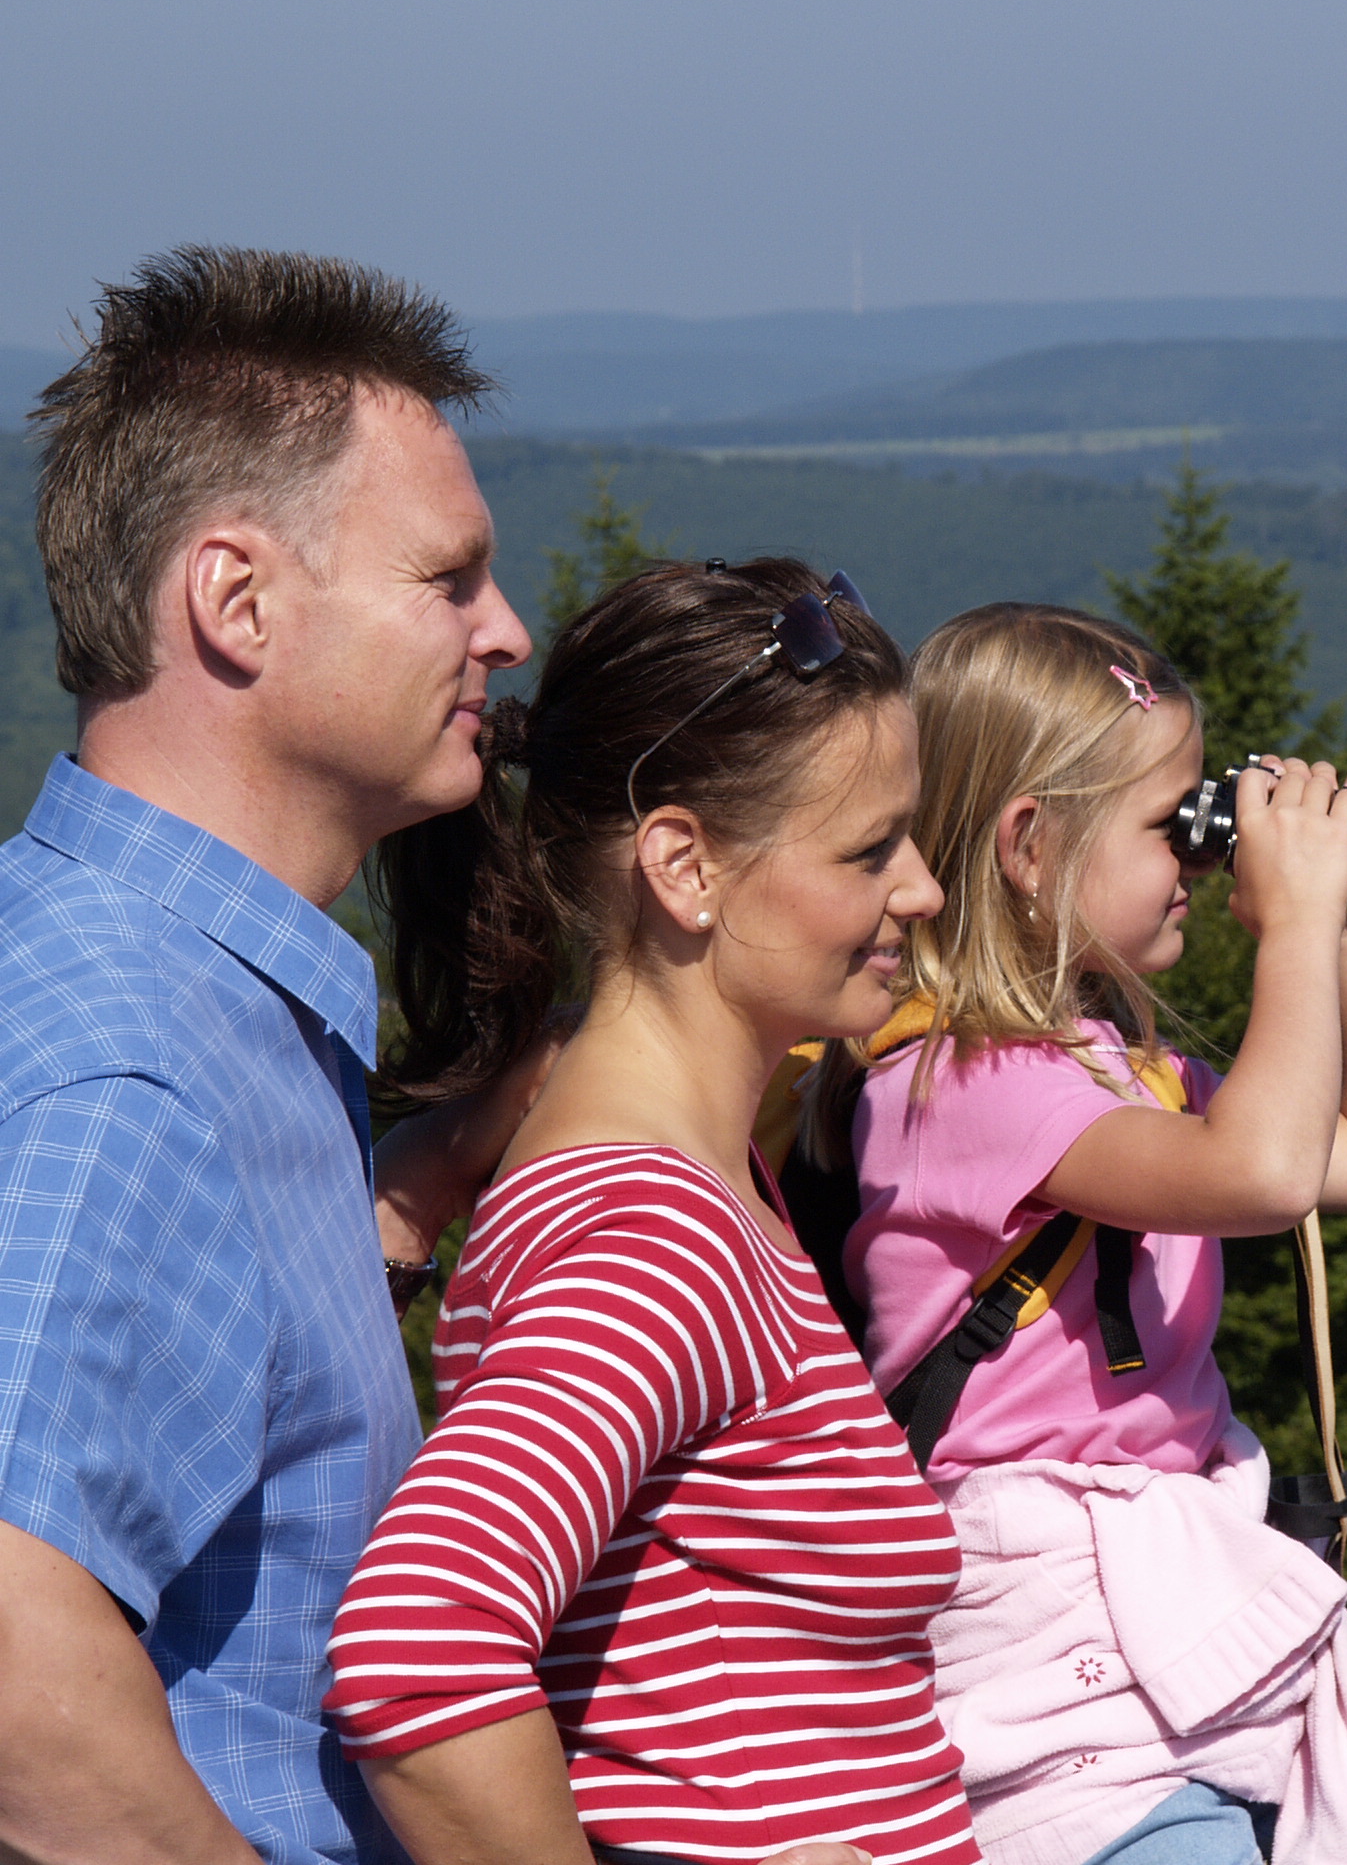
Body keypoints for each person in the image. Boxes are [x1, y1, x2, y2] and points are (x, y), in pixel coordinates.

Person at [816, 603, 1347, 1863]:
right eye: (1172, 828)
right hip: (1059, 1696)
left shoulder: (1112, 1077)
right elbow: (1264, 1175)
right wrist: (1297, 931)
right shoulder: (953, 1085)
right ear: (1030, 848)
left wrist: (1341, 920)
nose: (1204, 861)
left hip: (1217, 1629)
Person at [0, 246, 535, 1865]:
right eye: (448, 580)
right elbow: (18, 1674)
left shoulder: (132, 984)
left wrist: (387, 1218)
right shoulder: (135, 1070)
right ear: (236, 601)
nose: (505, 632)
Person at [324, 560, 979, 1865]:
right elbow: (421, 1644)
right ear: (684, 865)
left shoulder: (699, 1185)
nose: (923, 890)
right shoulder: (656, 1236)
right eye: (866, 849)